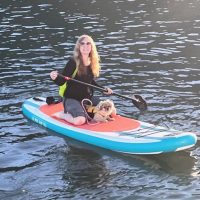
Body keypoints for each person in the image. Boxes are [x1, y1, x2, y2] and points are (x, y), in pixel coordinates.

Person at [50, 35, 113, 125]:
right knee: (80, 120)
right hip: (71, 99)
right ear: (78, 47)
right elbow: (61, 81)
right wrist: (54, 77)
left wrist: (104, 90)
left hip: (87, 98)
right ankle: (63, 115)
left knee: (111, 111)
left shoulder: (92, 62)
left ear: (92, 47)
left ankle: (88, 110)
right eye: (82, 44)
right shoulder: (73, 62)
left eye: (88, 43)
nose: (85, 46)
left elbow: (91, 82)